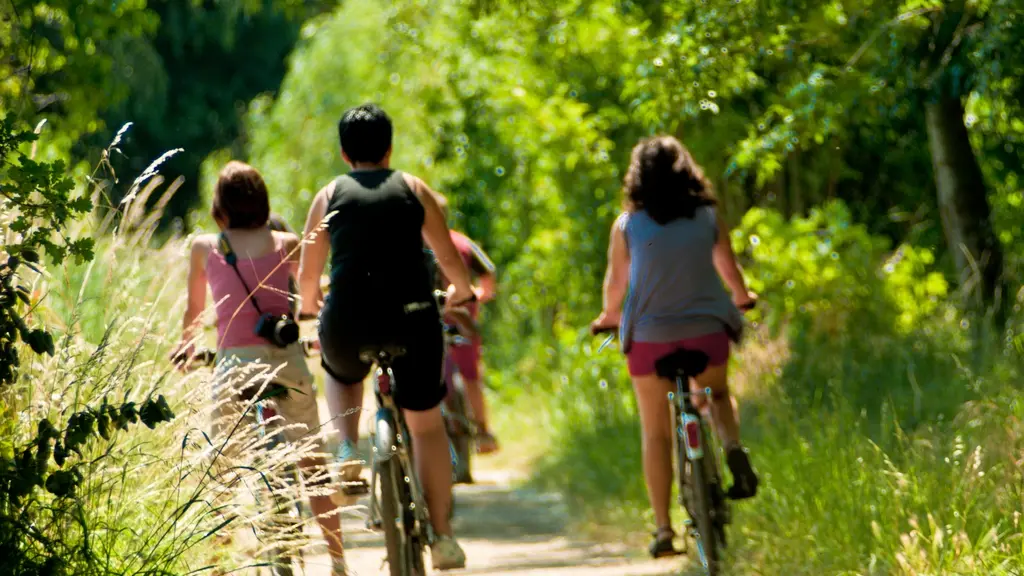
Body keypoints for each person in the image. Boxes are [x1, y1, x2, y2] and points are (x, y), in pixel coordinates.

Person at [297, 103, 474, 571]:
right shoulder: (414, 189)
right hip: (412, 320)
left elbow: (308, 275)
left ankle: (349, 445)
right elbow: (451, 262)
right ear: (390, 148)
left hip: (347, 322)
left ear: (343, 152)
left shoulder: (329, 193)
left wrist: (309, 308)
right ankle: (442, 536)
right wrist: (460, 291)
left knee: (339, 370)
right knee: (427, 426)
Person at [171, 161, 349, 575]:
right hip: (285, 361)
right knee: (313, 466)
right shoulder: (287, 243)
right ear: (263, 201)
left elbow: (194, 313)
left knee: (222, 474)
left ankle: (217, 565)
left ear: (220, 206)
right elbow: (310, 301)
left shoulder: (204, 247)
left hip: (234, 366)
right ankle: (339, 563)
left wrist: (185, 349)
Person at [590, 135, 759, 559]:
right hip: (706, 330)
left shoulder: (627, 226)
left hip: (649, 339)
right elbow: (729, 270)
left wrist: (608, 316)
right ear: (687, 170)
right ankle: (734, 449)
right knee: (717, 394)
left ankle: (664, 529)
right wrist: (742, 297)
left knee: (656, 432)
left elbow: (616, 284)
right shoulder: (707, 216)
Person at [429, 192, 499, 454]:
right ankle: (483, 431)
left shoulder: (418, 243)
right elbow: (488, 272)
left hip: (431, 319)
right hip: (464, 319)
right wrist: (477, 296)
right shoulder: (462, 242)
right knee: (471, 376)